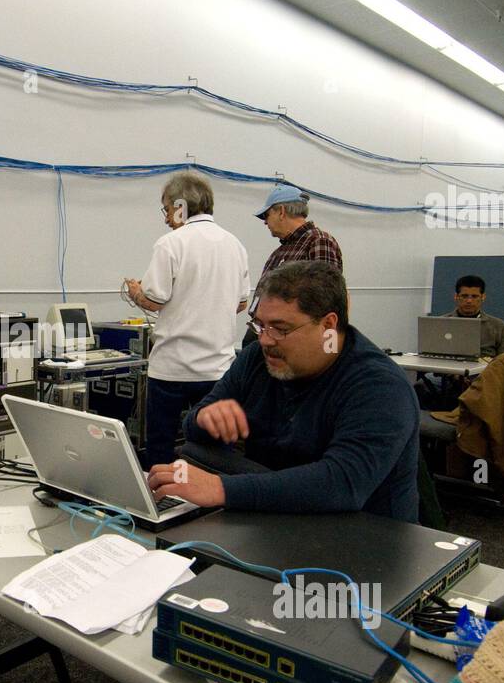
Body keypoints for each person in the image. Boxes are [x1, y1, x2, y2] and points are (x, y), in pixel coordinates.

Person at [147, 261, 420, 523]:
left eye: (280, 328)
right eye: (259, 325)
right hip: (274, 517)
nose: (265, 339)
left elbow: (343, 483)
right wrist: (204, 419)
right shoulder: (257, 359)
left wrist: (221, 489)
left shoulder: (379, 386)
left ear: (328, 326)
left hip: (364, 537)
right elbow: (193, 429)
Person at [123, 173, 250, 468]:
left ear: (180, 206)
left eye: (167, 209)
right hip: (217, 370)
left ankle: (162, 504)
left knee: (161, 449)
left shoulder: (170, 244)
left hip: (172, 370)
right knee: (218, 450)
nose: (166, 217)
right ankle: (214, 504)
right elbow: (241, 304)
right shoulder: (236, 245)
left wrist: (136, 292)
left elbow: (154, 301)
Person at [243, 184, 342, 347]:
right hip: (264, 333)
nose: (265, 223)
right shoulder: (280, 252)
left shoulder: (319, 241)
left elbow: (327, 299)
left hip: (287, 340)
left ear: (281, 211)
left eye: (266, 215)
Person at [415, 275, 504, 410]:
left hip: (483, 377)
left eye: (474, 296)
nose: (469, 300)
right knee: (420, 387)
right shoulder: (441, 323)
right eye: (464, 296)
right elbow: (430, 354)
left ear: (483, 297)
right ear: (456, 297)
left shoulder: (497, 326)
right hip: (448, 375)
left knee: (482, 390)